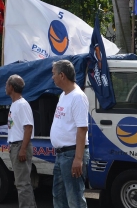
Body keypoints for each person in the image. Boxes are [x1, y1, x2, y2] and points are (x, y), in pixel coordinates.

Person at [50, 60, 90, 208]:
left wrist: (78, 159)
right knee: (59, 196)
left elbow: (82, 128)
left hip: (71, 154)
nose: (52, 77)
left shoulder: (77, 97)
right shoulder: (64, 95)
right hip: (62, 155)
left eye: (54, 74)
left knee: (74, 199)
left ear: (62, 75)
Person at [5, 75, 36, 208]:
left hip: (20, 146)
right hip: (16, 145)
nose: (5, 87)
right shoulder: (15, 104)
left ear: (11, 87)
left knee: (22, 184)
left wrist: (22, 149)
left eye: (6, 84)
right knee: (21, 183)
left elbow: (28, 128)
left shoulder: (22, 105)